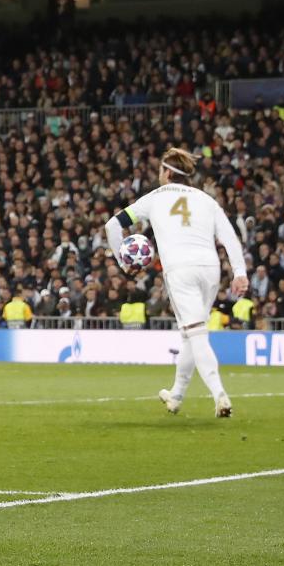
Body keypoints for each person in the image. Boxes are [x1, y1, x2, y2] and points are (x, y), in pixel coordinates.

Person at [105, 147, 247, 418]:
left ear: (168, 173)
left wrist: (124, 264)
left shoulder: (155, 198)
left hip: (180, 271)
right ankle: (177, 395)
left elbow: (112, 226)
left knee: (196, 333)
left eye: (161, 170)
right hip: (210, 270)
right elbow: (230, 237)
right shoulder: (207, 200)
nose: (159, 174)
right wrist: (239, 272)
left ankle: (220, 395)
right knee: (190, 335)